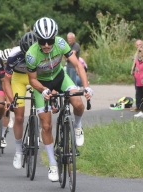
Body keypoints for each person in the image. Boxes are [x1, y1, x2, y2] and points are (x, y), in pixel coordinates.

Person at [25, 17, 93, 182]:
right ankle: (53, 164)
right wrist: (43, 90)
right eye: (43, 41)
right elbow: (32, 80)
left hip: (60, 78)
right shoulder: (31, 54)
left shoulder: (61, 43)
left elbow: (77, 65)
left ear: (54, 38)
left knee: (78, 103)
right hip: (41, 85)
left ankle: (77, 126)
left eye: (50, 41)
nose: (47, 45)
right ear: (37, 38)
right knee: (47, 126)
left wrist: (86, 87)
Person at [3, 32, 38, 169]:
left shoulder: (41, 53)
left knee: (42, 109)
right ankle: (18, 151)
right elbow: (6, 81)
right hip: (18, 78)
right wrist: (12, 100)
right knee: (18, 117)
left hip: (36, 76)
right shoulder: (14, 55)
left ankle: (38, 129)